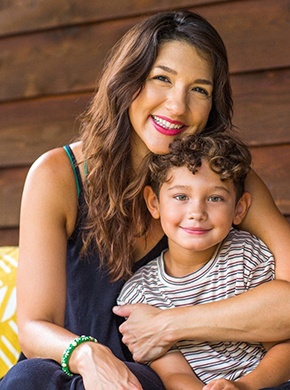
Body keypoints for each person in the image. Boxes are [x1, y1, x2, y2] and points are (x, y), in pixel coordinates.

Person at [1, 9, 290, 390]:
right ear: (127, 81)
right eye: (162, 79)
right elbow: (36, 327)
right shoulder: (58, 175)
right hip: (77, 370)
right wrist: (88, 355)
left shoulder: (225, 178)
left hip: (173, 379)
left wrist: (171, 324)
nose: (177, 106)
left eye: (199, 89)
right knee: (28, 379)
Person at [117, 132, 290, 390]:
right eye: (181, 197)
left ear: (239, 209)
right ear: (154, 203)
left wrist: (243, 387)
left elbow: (283, 347)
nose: (197, 212)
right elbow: (174, 375)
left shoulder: (247, 257)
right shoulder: (141, 294)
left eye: (215, 198)